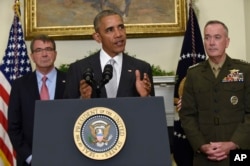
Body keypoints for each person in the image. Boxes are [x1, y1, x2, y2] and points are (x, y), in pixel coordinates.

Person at [179, 20, 250, 166]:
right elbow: (187, 115)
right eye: (207, 37)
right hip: (206, 154)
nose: (211, 42)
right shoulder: (194, 74)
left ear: (227, 41)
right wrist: (202, 145)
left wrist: (233, 143)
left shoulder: (244, 70)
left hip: (238, 152)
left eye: (217, 37)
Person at [64, 9, 154, 99]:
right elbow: (67, 110)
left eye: (121, 27)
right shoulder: (78, 69)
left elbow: (152, 110)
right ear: (98, 37)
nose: (118, 34)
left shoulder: (141, 68)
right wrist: (83, 99)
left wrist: (145, 97)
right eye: (110, 30)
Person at [7, 34, 66, 166]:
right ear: (32, 56)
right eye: (39, 50)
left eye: (48, 49)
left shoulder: (69, 81)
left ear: (55, 54)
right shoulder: (19, 85)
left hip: (65, 158)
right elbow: (14, 127)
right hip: (29, 161)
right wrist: (30, 157)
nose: (44, 54)